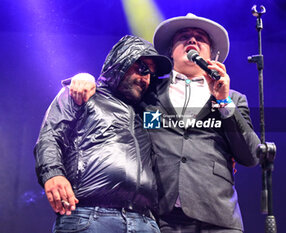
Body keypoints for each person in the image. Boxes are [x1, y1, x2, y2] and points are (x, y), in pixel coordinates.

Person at [69, 13, 261, 233]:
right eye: (184, 37)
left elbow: (250, 155)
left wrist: (224, 101)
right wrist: (86, 78)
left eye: (200, 38)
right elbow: (111, 94)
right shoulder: (148, 90)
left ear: (213, 54)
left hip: (218, 218)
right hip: (160, 217)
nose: (192, 41)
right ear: (171, 51)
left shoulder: (233, 99)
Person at [34, 35, 172, 233]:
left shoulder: (147, 113)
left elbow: (177, 135)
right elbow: (50, 137)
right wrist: (52, 174)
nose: (146, 79)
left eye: (151, 74)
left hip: (144, 222)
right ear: (121, 62)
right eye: (142, 68)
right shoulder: (82, 93)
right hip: (89, 217)